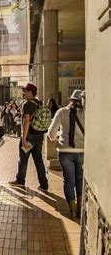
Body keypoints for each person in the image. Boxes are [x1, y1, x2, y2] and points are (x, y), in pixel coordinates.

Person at [47, 90, 85, 218]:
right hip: (82, 152)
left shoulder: (62, 112)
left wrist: (56, 140)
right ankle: (80, 209)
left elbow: (51, 133)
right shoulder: (87, 113)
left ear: (71, 100)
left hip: (65, 152)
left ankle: (73, 211)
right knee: (80, 180)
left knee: (69, 180)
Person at [9, 82, 49, 191]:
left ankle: (20, 181)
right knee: (38, 161)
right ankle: (44, 185)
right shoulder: (39, 103)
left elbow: (26, 121)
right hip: (39, 136)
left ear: (30, 92)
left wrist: (24, 138)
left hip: (29, 137)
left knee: (23, 160)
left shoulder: (27, 104)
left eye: (25, 91)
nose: (23, 93)